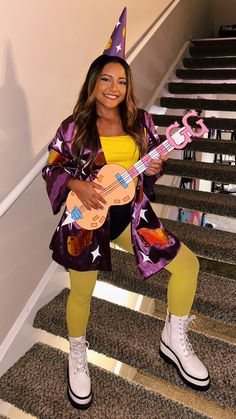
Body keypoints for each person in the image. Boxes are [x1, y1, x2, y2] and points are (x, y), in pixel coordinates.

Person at [42, 8, 210, 410]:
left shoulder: (142, 123)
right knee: (82, 291)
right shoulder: (73, 127)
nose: (114, 87)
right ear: (93, 84)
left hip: (130, 216)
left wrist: (155, 165)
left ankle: (174, 335)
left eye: (121, 80)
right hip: (88, 220)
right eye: (106, 79)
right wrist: (77, 182)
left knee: (187, 265)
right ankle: (77, 353)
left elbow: (148, 172)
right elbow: (53, 165)